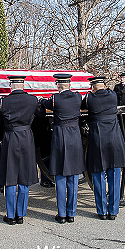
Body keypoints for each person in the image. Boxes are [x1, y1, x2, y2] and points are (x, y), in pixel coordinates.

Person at [0, 75, 41, 225]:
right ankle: (21, 214)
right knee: (24, 177)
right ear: (23, 84)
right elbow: (40, 115)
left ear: (11, 85)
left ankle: (10, 214)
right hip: (27, 137)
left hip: (10, 137)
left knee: (10, 176)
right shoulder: (32, 100)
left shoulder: (3, 101)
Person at [83, 76, 125, 221]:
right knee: (115, 177)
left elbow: (84, 103)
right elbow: (110, 92)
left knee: (98, 177)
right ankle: (113, 211)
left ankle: (102, 211)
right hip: (115, 141)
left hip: (98, 142)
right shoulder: (113, 96)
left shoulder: (90, 99)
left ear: (93, 88)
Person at [43, 73, 84, 224]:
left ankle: (61, 213)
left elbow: (44, 104)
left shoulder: (55, 99)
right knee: (73, 176)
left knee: (60, 176)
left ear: (58, 85)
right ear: (69, 84)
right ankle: (71, 213)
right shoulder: (77, 97)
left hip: (60, 136)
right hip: (74, 136)